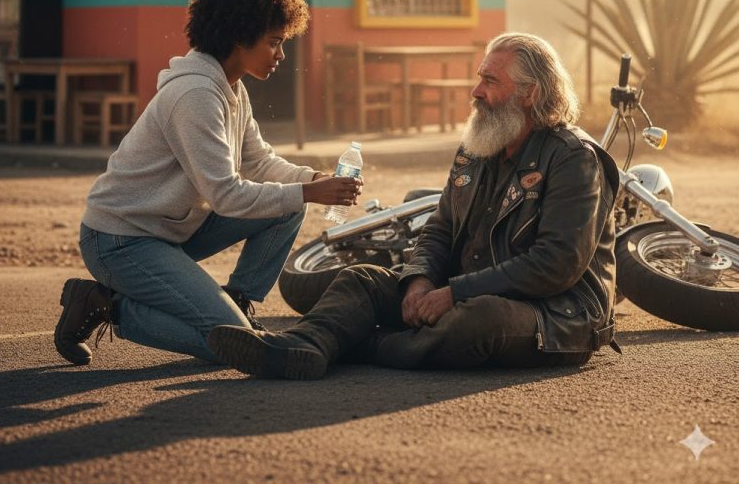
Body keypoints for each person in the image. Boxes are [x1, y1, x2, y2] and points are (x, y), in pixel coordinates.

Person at [207, 32, 621, 379]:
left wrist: (454, 293)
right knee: (362, 280)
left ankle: (353, 346)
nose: (476, 92)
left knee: (479, 320)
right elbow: (440, 228)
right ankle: (301, 347)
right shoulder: (481, 143)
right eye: (479, 78)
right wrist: (420, 281)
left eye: (491, 82)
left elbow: (556, 263)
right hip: (465, 291)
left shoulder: (573, 158)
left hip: (558, 316)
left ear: (531, 93)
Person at [54, 0, 362, 366]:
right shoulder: (195, 95)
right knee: (228, 343)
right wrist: (307, 190)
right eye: (274, 42)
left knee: (287, 207)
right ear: (238, 35)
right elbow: (227, 195)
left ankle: (237, 305)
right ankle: (104, 304)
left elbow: (258, 160)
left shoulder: (230, 88)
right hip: (120, 241)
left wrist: (313, 181)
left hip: (171, 230)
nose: (281, 54)